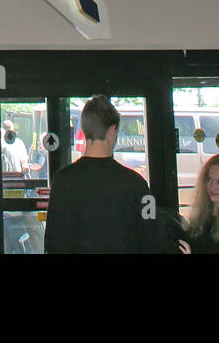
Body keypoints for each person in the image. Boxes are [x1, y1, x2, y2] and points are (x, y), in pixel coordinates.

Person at [44, 95, 158, 253]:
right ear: (112, 131)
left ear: (84, 130)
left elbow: (53, 240)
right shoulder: (137, 184)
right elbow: (151, 237)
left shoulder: (62, 180)